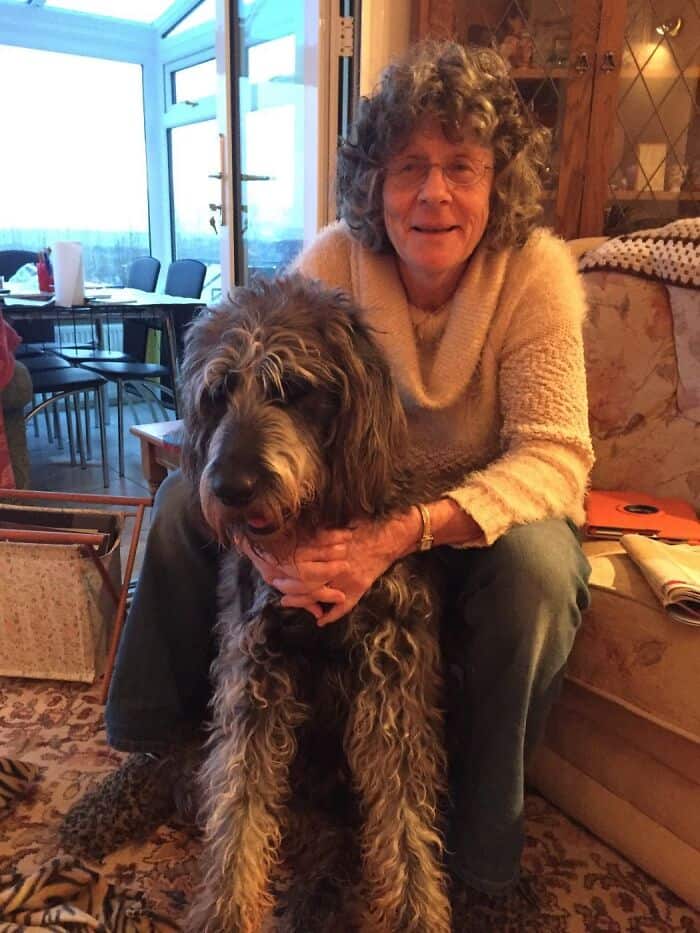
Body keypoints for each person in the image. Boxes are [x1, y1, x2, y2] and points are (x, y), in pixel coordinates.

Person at [60, 38, 593, 916]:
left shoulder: (534, 275)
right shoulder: (336, 258)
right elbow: (256, 364)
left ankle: (486, 857)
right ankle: (155, 753)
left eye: (461, 165)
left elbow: (556, 458)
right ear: (375, 184)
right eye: (408, 165)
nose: (433, 191)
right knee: (182, 506)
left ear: (497, 181)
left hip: (469, 518)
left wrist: (394, 537)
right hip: (345, 495)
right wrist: (277, 551)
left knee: (538, 573)